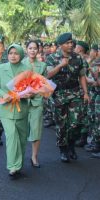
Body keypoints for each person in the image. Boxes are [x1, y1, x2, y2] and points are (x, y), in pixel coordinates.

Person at [46, 33, 90, 163]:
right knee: (61, 124)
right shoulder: (52, 58)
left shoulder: (78, 58)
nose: (71, 45)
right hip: (59, 94)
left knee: (76, 123)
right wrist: (60, 65)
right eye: (67, 43)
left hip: (75, 92)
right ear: (61, 45)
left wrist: (86, 92)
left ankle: (71, 145)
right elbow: (48, 75)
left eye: (72, 42)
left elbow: (82, 76)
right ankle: (63, 149)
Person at [0, 44, 31, 179]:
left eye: (16, 53)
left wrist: (29, 93)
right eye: (10, 53)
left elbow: (33, 87)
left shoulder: (26, 69)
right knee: (12, 135)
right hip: (5, 108)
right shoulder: (1, 68)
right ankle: (12, 166)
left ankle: (18, 165)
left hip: (22, 108)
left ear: (21, 54)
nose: (13, 56)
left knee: (21, 138)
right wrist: (3, 94)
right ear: (7, 55)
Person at [23, 40, 47, 167]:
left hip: (37, 101)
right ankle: (19, 156)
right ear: (26, 49)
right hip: (22, 101)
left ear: (38, 50)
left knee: (36, 130)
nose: (32, 50)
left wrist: (35, 91)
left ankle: (34, 156)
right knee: (21, 130)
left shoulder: (42, 66)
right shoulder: (20, 63)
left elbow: (45, 84)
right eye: (30, 48)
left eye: (35, 48)